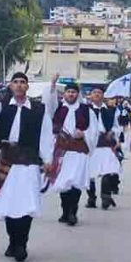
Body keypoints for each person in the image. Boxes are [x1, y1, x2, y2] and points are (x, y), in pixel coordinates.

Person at [0, 73, 54, 262]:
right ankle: (13, 241)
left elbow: (45, 135)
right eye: (16, 82)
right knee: (10, 204)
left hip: (28, 162)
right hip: (6, 160)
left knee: (26, 205)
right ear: (10, 86)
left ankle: (22, 245)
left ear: (27, 87)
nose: (19, 86)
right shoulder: (0, 106)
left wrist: (48, 159)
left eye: (22, 83)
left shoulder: (38, 110)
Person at [43, 78, 98, 227]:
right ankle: (65, 210)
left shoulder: (86, 110)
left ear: (77, 94)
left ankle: (73, 211)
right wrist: (52, 85)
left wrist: (84, 134)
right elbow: (48, 104)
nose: (71, 94)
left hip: (79, 151)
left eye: (73, 92)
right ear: (64, 94)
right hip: (62, 152)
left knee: (75, 183)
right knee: (64, 183)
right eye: (68, 92)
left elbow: (93, 130)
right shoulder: (58, 109)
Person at [86, 88, 120, 211]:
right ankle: (91, 197)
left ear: (103, 95)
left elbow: (117, 126)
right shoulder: (86, 110)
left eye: (99, 93)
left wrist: (113, 133)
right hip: (91, 145)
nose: (96, 95)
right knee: (90, 173)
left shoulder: (111, 110)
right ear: (90, 95)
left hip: (106, 143)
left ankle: (105, 196)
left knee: (108, 170)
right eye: (94, 92)